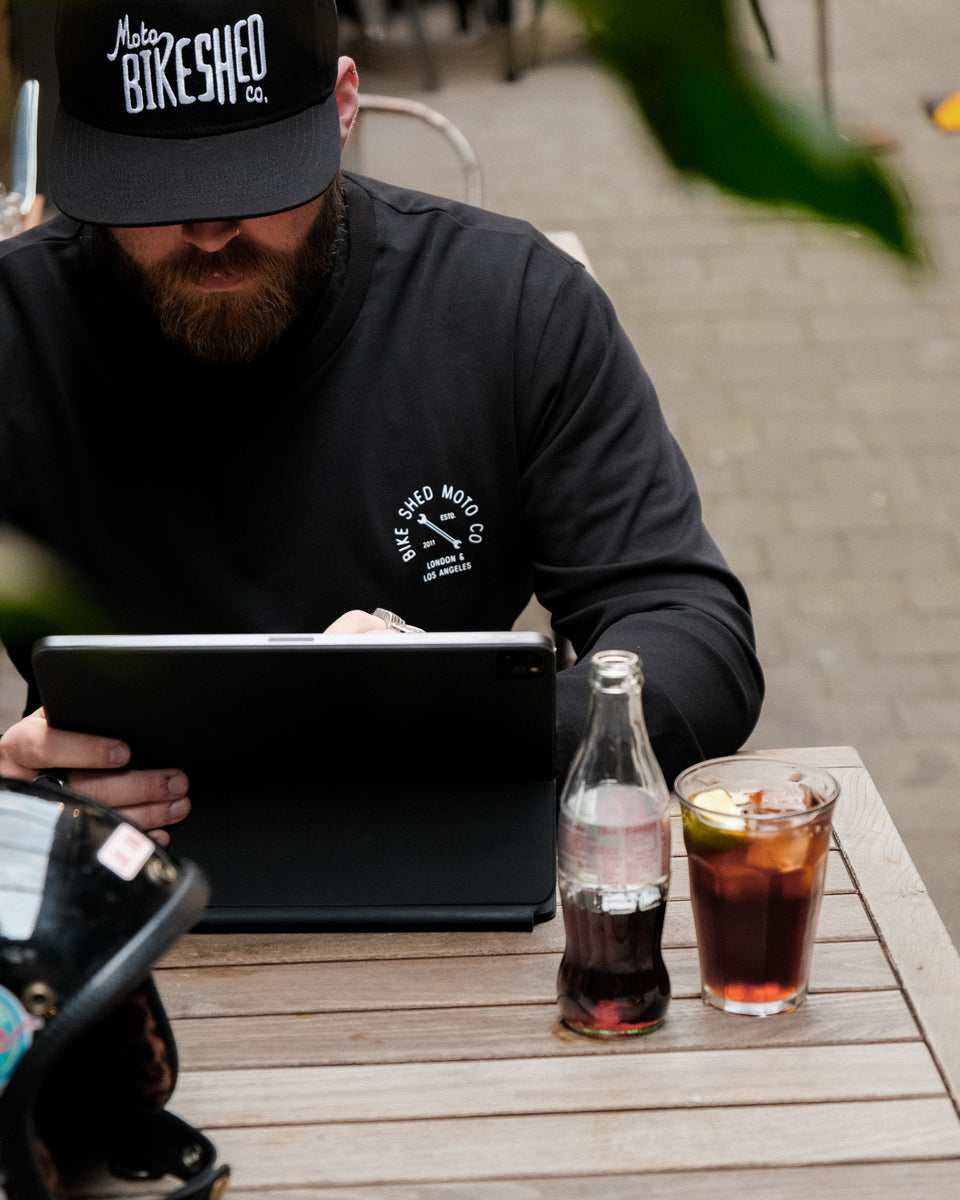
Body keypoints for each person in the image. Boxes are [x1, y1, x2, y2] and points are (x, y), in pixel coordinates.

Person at [0, 0, 763, 843]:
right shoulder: (16, 333)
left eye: (255, 180)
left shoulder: (507, 307)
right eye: (155, 191)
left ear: (343, 107)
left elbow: (693, 630)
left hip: (440, 829)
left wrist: (463, 723)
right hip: (99, 855)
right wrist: (11, 799)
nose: (210, 232)